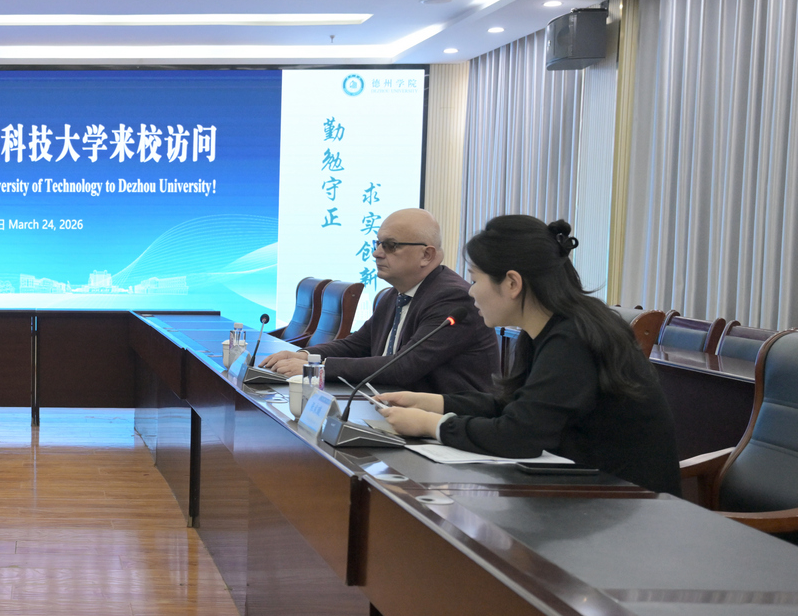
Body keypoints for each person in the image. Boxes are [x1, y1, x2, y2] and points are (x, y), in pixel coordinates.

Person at [376, 216, 681, 495]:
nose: (470, 291)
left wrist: (432, 425)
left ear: (512, 283)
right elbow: (516, 406)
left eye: (475, 279)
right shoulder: (547, 328)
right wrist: (434, 403)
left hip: (625, 502)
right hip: (583, 489)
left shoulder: (573, 338)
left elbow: (518, 436)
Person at [261, 208, 496, 394]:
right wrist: (304, 356)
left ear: (427, 255)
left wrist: (318, 368)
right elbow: (356, 345)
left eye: (391, 246)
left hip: (443, 422)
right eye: (378, 243)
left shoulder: (451, 298)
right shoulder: (396, 294)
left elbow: (404, 366)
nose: (376, 253)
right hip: (392, 406)